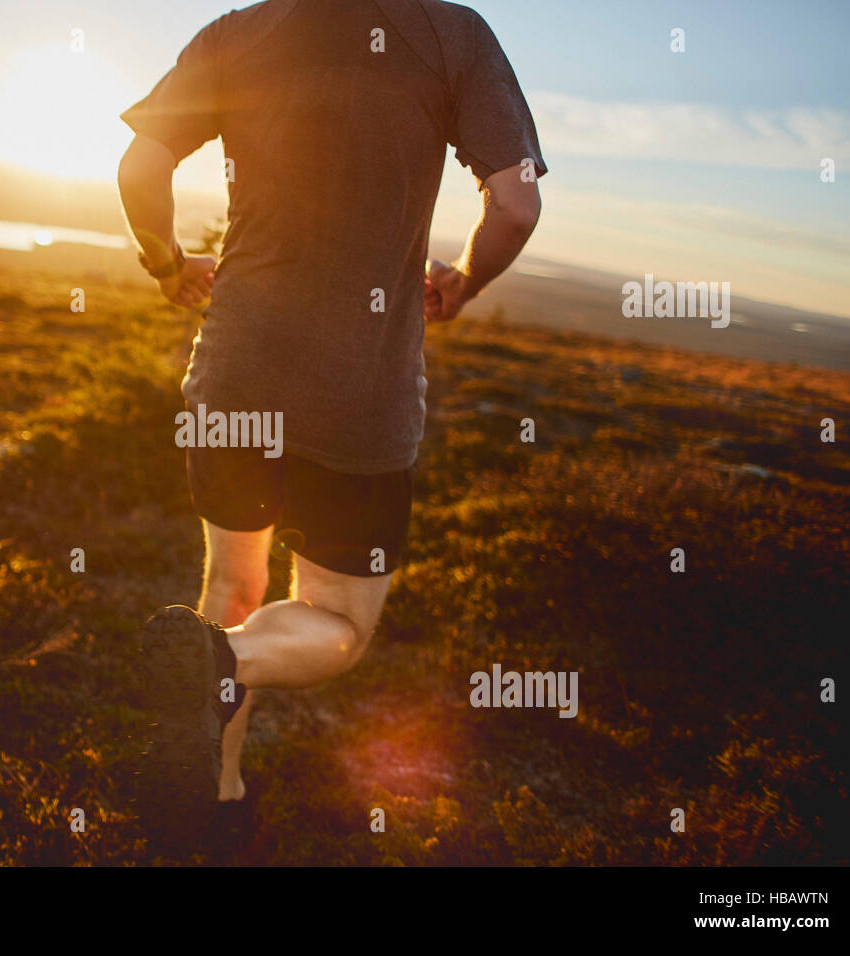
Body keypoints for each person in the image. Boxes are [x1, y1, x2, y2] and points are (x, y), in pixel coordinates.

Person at [116, 0, 545, 847]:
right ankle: (222, 667)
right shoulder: (451, 35)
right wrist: (463, 281)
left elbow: (140, 166)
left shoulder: (238, 33)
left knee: (230, 590)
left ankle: (218, 796)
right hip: (363, 400)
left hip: (236, 373)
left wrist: (166, 266)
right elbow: (517, 207)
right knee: (339, 628)